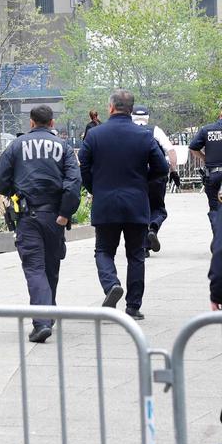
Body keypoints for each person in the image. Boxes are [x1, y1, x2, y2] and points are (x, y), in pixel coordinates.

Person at [0, 105, 81, 343]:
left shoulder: (16, 146)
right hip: (55, 217)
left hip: (28, 216)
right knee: (51, 267)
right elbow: (73, 183)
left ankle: (42, 321)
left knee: (34, 268)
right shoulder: (64, 148)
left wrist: (15, 191)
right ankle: (47, 314)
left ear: (31, 123)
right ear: (52, 123)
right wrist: (64, 213)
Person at [78, 90, 170, 320]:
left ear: (110, 108)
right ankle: (133, 307)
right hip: (136, 203)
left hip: (105, 202)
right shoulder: (144, 136)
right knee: (136, 255)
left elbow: (84, 168)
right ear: (131, 109)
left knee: (103, 251)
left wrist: (95, 188)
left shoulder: (95, 135)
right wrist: (141, 182)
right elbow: (161, 168)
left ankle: (111, 285)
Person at [131, 105, 177, 253]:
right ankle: (153, 227)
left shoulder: (127, 131)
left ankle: (143, 247)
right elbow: (170, 150)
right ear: (147, 117)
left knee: (138, 210)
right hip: (156, 176)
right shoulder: (155, 130)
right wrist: (174, 171)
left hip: (134, 177)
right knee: (158, 208)